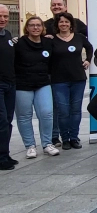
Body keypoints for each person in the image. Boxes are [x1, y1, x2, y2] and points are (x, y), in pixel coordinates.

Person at [14, 17, 59, 158]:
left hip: (43, 83)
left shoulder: (48, 42)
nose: (35, 28)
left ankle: (47, 144)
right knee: (24, 116)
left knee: (46, 113)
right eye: (32, 25)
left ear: (42, 28)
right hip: (22, 84)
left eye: (38, 25)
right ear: (26, 28)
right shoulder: (19, 43)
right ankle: (30, 146)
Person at [50, 12, 93, 150]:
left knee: (76, 110)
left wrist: (88, 60)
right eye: (61, 22)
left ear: (71, 24)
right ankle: (65, 138)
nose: (64, 24)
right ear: (57, 24)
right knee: (63, 111)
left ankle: (74, 137)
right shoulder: (51, 40)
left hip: (78, 79)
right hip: (59, 81)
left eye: (66, 22)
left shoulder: (79, 37)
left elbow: (90, 47)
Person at [0, 5, 17, 169]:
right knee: (2, 121)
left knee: (8, 120)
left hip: (10, 84)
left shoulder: (8, 35)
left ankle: (5, 153)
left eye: (5, 16)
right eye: (0, 16)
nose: (3, 19)